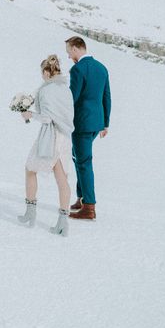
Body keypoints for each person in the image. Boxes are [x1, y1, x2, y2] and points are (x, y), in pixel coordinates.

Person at [17, 55, 75, 236]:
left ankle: (31, 211)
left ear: (45, 72)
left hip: (50, 137)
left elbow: (47, 118)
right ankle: (63, 222)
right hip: (65, 137)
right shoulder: (66, 89)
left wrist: (29, 115)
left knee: (30, 169)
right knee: (62, 179)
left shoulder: (46, 90)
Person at [65, 36, 111, 220]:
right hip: (96, 122)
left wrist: (62, 117)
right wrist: (105, 122)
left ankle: (89, 207)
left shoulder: (78, 69)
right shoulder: (102, 68)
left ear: (76, 49)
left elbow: (72, 99)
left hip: (82, 123)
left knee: (84, 162)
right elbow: (106, 97)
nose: (69, 56)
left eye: (69, 52)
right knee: (79, 158)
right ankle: (82, 197)